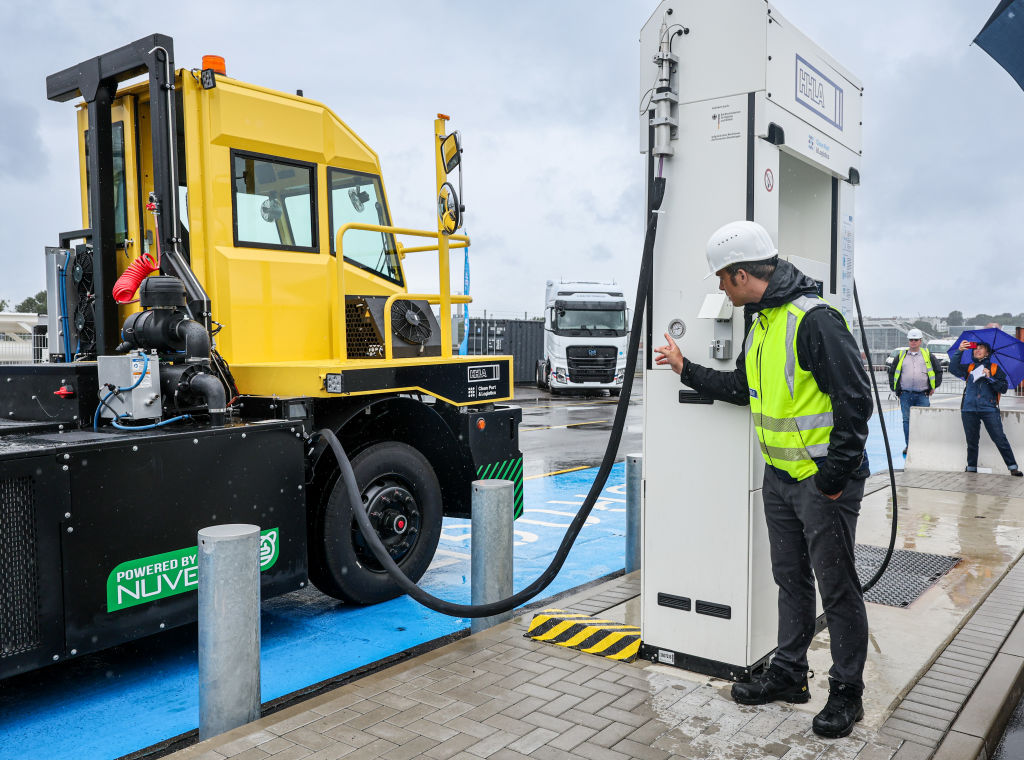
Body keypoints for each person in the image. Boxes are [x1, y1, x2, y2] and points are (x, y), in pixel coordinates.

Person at [654, 220, 872, 740]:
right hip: (780, 481)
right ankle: (790, 674)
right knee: (790, 580)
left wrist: (833, 479)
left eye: (722, 280)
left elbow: (855, 401)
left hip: (822, 485)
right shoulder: (764, 320)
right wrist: (686, 368)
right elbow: (743, 387)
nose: (720, 290)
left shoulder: (814, 320)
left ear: (742, 273)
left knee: (837, 588)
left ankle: (847, 694)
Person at [949, 339, 1022, 477]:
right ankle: (971, 468)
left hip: (989, 409)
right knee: (971, 441)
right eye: (975, 348)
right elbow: (952, 368)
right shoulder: (969, 367)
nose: (977, 350)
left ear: (987, 352)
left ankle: (1013, 467)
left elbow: (1003, 388)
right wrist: (959, 351)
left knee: (1000, 439)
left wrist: (990, 377)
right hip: (969, 409)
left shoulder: (994, 368)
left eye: (981, 348)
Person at [887, 328, 943, 456]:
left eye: (915, 340)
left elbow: (938, 371)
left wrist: (933, 386)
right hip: (905, 394)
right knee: (907, 421)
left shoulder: (927, 355)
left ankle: (923, 445)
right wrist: (895, 389)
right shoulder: (901, 356)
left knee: (923, 421)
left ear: (920, 341)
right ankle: (909, 446)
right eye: (911, 340)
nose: (913, 342)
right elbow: (892, 372)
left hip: (922, 394)